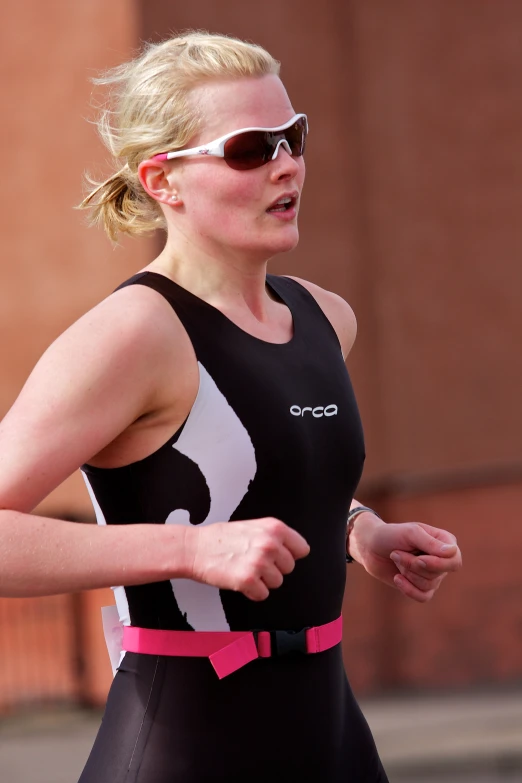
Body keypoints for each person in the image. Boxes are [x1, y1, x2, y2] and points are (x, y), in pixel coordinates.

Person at [0, 31, 462, 783]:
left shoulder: (324, 316)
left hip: (334, 738)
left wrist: (362, 530)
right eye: (251, 148)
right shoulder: (134, 335)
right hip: (184, 745)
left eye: (293, 137)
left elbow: (250, 469)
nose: (288, 164)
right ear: (164, 180)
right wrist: (188, 550)